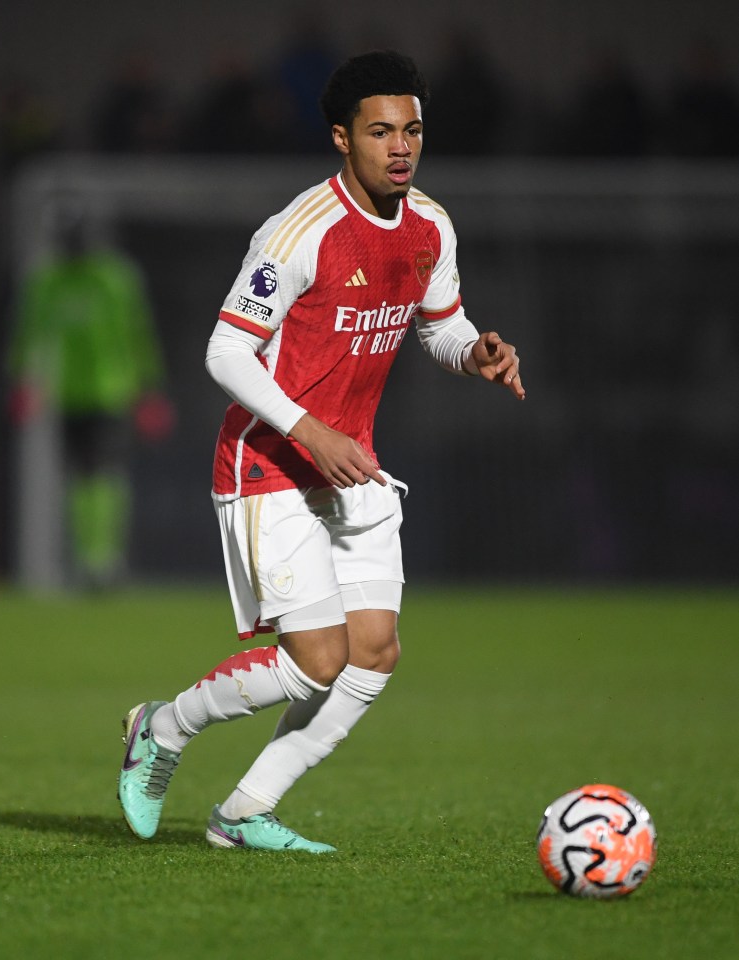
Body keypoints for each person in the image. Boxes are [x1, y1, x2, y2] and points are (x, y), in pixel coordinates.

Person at [118, 50, 524, 853]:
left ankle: (242, 814)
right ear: (342, 138)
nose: (400, 146)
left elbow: (436, 324)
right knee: (315, 661)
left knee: (372, 654)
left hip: (352, 463)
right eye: (380, 132)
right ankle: (159, 728)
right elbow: (225, 352)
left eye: (411, 130)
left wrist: (471, 351)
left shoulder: (429, 226)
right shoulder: (300, 230)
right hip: (271, 463)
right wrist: (309, 429)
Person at [9, 208, 174, 587]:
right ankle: (89, 557)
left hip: (113, 391)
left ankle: (104, 556)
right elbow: (29, 333)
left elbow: (137, 333)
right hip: (71, 392)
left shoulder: (114, 279)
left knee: (103, 473)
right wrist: (24, 381)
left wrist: (149, 390)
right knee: (82, 477)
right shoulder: (49, 281)